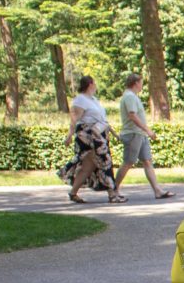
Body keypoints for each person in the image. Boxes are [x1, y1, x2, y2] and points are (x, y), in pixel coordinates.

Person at [57, 75, 123, 204]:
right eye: (94, 83)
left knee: (88, 166)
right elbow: (75, 120)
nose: (96, 86)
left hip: (99, 135)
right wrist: (69, 136)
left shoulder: (93, 100)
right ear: (90, 84)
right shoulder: (80, 100)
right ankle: (112, 194)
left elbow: (102, 121)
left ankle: (73, 192)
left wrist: (113, 134)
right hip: (89, 137)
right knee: (105, 162)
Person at [113, 72, 173, 200]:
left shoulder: (133, 96)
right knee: (128, 162)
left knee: (147, 161)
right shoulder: (129, 96)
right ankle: (114, 189)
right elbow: (132, 115)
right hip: (133, 133)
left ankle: (157, 190)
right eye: (141, 83)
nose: (142, 86)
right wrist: (148, 130)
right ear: (135, 83)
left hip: (140, 134)